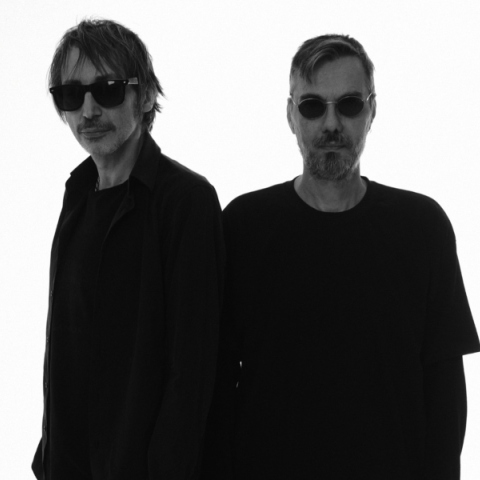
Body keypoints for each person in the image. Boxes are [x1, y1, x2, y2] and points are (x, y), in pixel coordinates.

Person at [201, 34, 480, 480]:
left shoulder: (421, 227)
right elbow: (215, 383)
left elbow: (446, 390)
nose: (331, 123)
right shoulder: (243, 226)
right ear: (290, 115)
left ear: (372, 110)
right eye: (312, 106)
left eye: (349, 105)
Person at [32, 19, 224, 480]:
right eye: (71, 95)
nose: (89, 110)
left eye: (108, 90)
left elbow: (193, 369)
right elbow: (67, 343)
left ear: (146, 96)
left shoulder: (185, 201)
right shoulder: (78, 195)